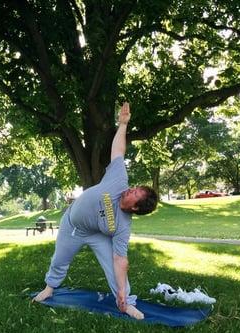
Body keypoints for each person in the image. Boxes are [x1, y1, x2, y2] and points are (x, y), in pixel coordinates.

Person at [33, 102, 158, 319]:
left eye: (134, 194)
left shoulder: (123, 227)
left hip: (97, 234)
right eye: (135, 188)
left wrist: (120, 291)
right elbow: (118, 150)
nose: (130, 190)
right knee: (60, 259)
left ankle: (125, 301)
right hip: (73, 225)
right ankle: (50, 288)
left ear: (135, 208)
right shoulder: (119, 180)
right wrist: (123, 125)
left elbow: (121, 260)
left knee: (113, 265)